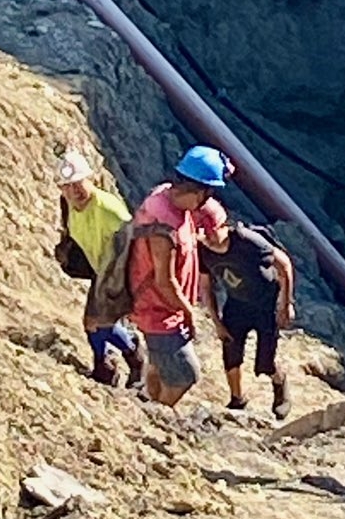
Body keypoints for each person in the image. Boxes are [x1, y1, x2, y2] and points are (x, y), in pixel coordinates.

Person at [126, 146, 230, 407]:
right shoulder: (163, 228)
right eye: (208, 195)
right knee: (185, 375)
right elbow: (164, 280)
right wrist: (188, 312)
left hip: (158, 308)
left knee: (161, 365)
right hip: (159, 312)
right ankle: (157, 413)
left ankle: (148, 402)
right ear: (199, 191)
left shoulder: (165, 197)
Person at [52, 150, 142, 388]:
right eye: (67, 186)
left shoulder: (110, 210)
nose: (75, 191)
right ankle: (109, 362)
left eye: (79, 183)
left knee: (96, 321)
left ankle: (126, 355)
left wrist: (118, 289)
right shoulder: (69, 207)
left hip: (118, 273)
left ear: (90, 179)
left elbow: (129, 246)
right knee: (97, 323)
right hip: (99, 268)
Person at [201, 218, 297, 418]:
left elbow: (284, 265)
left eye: (212, 232)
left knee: (265, 362)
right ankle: (237, 398)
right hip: (236, 303)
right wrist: (216, 322)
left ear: (223, 227)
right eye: (204, 233)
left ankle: (279, 382)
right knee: (230, 350)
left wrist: (285, 304)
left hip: (265, 304)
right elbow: (205, 286)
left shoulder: (247, 241)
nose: (209, 238)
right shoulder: (203, 251)